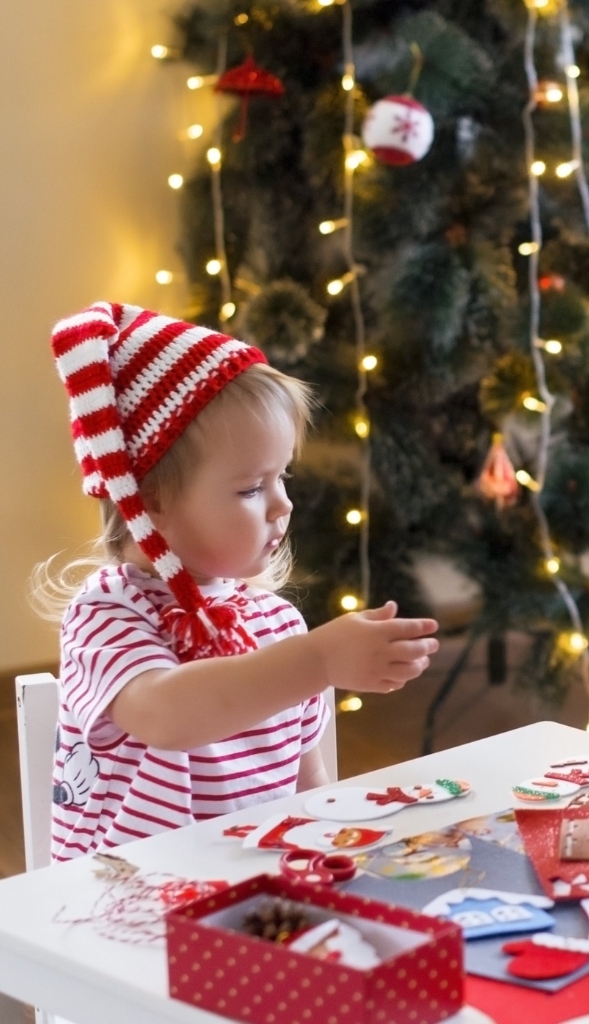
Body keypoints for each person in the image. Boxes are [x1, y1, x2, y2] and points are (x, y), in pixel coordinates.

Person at [40, 302, 439, 861]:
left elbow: (307, 785)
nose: (283, 504)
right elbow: (166, 715)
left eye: (283, 477)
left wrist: (338, 849)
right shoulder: (107, 614)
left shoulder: (277, 624)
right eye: (252, 488)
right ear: (150, 503)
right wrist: (317, 661)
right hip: (125, 904)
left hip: (246, 889)